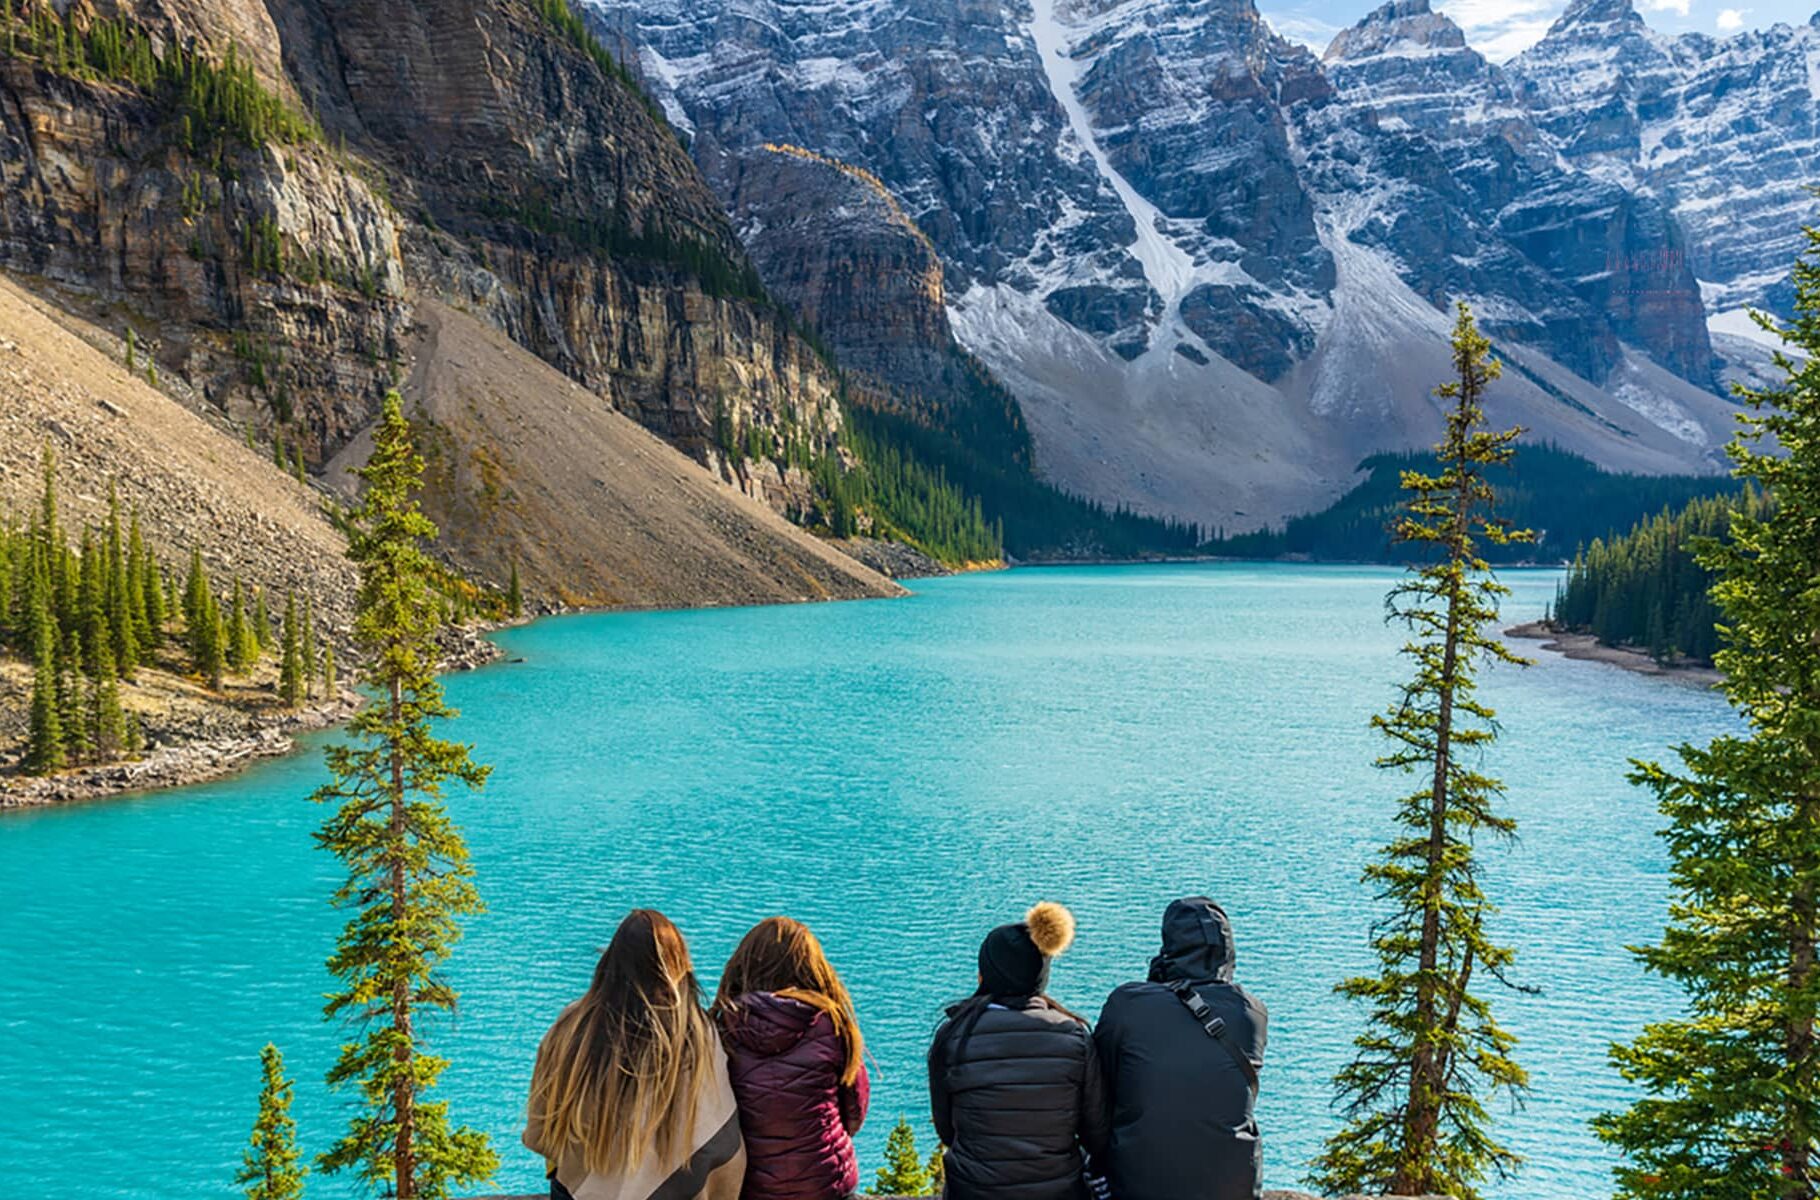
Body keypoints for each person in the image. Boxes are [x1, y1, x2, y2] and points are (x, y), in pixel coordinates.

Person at [524, 909, 745, 1200]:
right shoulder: (698, 1034)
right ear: (679, 966)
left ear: (610, 961)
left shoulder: (573, 1024)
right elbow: (719, 1134)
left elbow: (542, 1129)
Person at [927, 901, 1109, 1200]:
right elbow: (1096, 1133)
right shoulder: (1074, 1037)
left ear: (984, 975)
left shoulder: (954, 1035)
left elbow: (947, 1132)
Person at [1093, 896, 1268, 1200]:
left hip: (1139, 1187)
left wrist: (1159, 978)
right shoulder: (1252, 1012)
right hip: (1231, 1189)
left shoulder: (1128, 1003)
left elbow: (1103, 1081)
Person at [712, 916, 871, 1200]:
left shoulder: (720, 1029)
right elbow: (854, 1112)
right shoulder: (833, 1025)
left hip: (751, 1186)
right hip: (827, 1184)